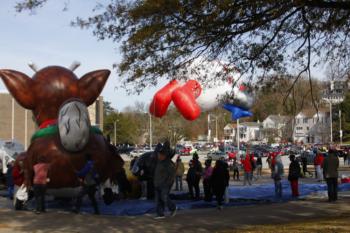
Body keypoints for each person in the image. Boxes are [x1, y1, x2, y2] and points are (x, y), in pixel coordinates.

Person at [153, 146, 177, 219]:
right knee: (158, 200)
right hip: (157, 184)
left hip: (164, 185)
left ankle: (173, 208)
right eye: (158, 154)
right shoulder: (159, 162)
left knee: (164, 197)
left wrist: (167, 183)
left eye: (159, 155)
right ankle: (160, 214)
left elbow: (171, 175)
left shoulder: (168, 163)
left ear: (163, 155)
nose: (158, 156)